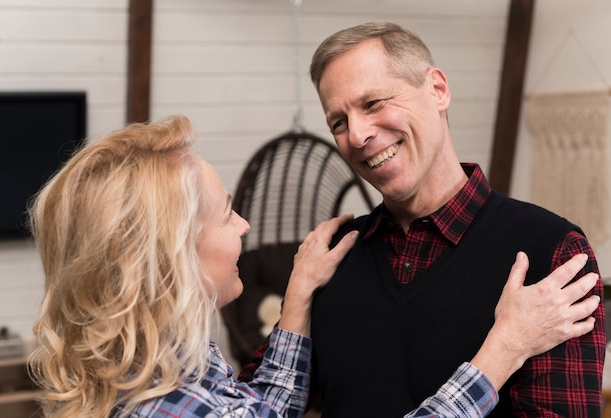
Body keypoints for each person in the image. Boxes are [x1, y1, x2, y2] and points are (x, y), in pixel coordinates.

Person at [26, 114, 599, 418]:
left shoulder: (168, 365)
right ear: (174, 253)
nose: (245, 227)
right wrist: (503, 350)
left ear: (438, 90)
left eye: (374, 105)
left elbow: (263, 413)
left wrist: (298, 297)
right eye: (227, 214)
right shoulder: (173, 408)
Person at [241, 22, 606, 417]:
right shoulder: (329, 259)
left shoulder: (551, 252)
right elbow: (257, 406)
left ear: (438, 90)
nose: (358, 134)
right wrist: (298, 295)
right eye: (339, 123)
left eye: (373, 103)